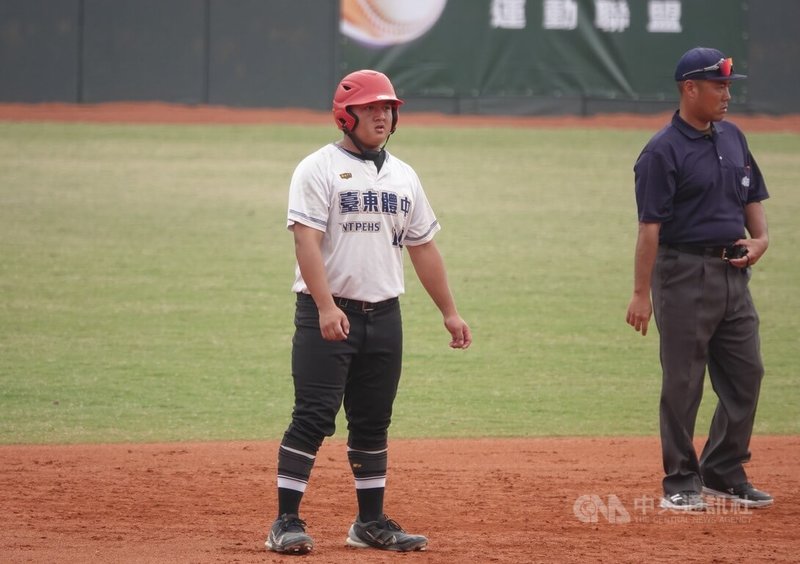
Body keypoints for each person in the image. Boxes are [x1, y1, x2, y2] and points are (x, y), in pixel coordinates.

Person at [265, 69, 472, 554]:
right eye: (372, 107)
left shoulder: (403, 175)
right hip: (327, 315)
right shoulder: (317, 168)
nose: (382, 115)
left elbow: (422, 248)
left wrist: (450, 311)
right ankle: (285, 521)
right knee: (314, 416)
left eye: (389, 108)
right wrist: (324, 305)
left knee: (373, 419)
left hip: (385, 316)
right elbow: (306, 241)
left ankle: (370, 523)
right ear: (346, 114)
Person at [626, 47, 773, 511]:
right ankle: (681, 480)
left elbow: (752, 194)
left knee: (747, 374)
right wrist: (640, 294)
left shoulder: (733, 137)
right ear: (690, 88)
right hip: (682, 274)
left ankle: (723, 471)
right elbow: (650, 228)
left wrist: (762, 238)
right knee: (684, 382)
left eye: (729, 86)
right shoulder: (661, 151)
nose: (727, 94)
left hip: (734, 275)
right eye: (718, 86)